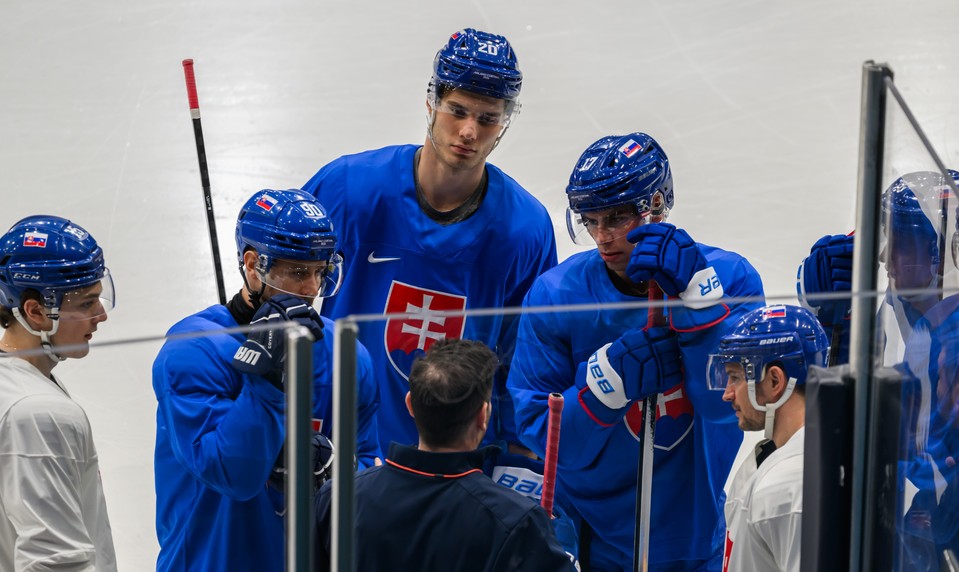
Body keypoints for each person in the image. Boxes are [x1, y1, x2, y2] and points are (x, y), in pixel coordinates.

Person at [507, 132, 766, 570]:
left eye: (616, 218)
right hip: (590, 538)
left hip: (692, 536)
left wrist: (700, 309)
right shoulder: (555, 295)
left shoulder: (732, 280)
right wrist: (603, 387)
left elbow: (731, 409)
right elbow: (544, 438)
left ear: (658, 205)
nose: (602, 237)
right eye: (590, 220)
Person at [301, 28, 557, 453]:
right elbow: (282, 294)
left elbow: (526, 361)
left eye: (488, 117)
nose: (470, 131)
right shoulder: (348, 189)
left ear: (504, 123)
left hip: (455, 469)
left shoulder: (524, 229)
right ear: (431, 101)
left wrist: (518, 455)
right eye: (457, 110)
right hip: (343, 453)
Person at [152, 189, 381, 571]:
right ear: (253, 264)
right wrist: (269, 376)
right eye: (297, 272)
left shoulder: (346, 354)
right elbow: (232, 474)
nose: (311, 290)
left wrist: (336, 470)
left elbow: (368, 472)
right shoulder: (193, 350)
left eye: (319, 272)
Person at [314, 338, 576, 572]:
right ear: (483, 417)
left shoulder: (337, 498)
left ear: (410, 404)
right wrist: (559, 546)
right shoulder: (517, 522)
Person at [0, 215, 117, 571]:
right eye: (86, 304)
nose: (101, 316)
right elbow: (55, 560)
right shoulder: (38, 413)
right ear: (36, 312)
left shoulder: (20, 383)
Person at [706, 304, 829, 572]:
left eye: (735, 377)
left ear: (775, 381)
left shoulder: (792, 485)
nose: (727, 394)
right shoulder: (771, 458)